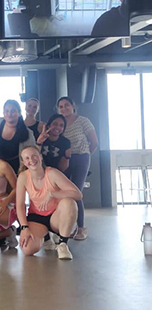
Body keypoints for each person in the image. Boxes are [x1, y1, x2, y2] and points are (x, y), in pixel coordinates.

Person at [16, 146, 82, 260]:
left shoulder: (52, 173)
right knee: (28, 249)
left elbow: (78, 194)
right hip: (37, 217)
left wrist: (53, 194)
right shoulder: (23, 177)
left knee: (69, 202)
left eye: (34, 156)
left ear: (40, 157)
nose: (31, 160)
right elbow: (20, 205)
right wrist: (24, 228)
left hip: (55, 217)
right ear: (23, 162)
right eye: (27, 158)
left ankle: (63, 244)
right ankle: (46, 238)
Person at [58, 97, 98, 240]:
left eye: (66, 105)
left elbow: (94, 142)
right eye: (61, 106)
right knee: (65, 191)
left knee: (76, 192)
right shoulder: (60, 124)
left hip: (81, 158)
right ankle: (67, 226)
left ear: (73, 106)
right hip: (65, 159)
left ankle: (81, 227)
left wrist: (85, 154)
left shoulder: (83, 121)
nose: (64, 108)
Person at [0, 100, 36, 173]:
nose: (9, 114)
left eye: (13, 111)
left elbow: (32, 153)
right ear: (3, 113)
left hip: (16, 169)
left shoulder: (28, 133)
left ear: (19, 113)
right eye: (7, 111)